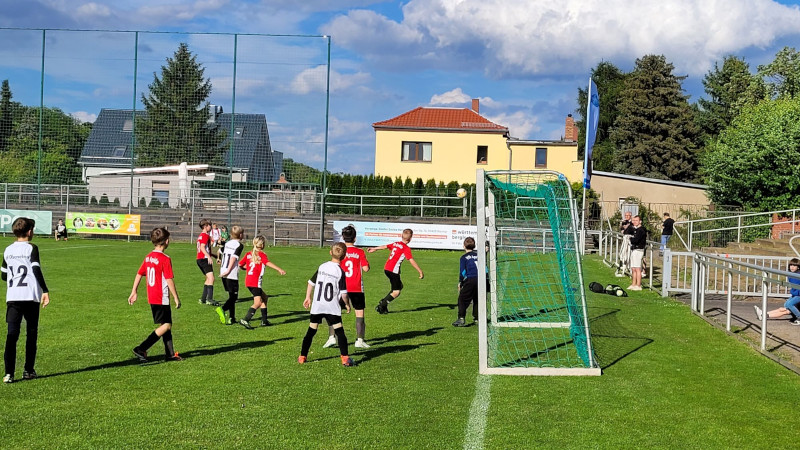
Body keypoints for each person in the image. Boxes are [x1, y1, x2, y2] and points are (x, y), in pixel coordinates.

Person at [2, 218, 50, 383]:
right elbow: (35, 269)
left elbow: (3, 275)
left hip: (13, 297)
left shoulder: (8, 250)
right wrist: (45, 290)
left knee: (12, 334)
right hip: (30, 296)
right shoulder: (32, 248)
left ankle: (8, 374)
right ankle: (28, 371)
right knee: (31, 334)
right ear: (29, 231)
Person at [129, 227, 182, 363]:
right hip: (161, 296)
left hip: (152, 296)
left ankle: (170, 354)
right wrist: (176, 297)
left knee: (165, 323)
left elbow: (139, 273)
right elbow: (169, 279)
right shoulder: (165, 258)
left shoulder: (148, 257)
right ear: (166, 241)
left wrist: (134, 291)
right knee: (167, 326)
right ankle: (142, 347)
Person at [298, 243, 353, 366]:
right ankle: (345, 358)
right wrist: (347, 304)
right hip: (331, 306)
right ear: (344, 256)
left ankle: (302, 356)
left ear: (330, 252)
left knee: (311, 331)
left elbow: (310, 282)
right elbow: (344, 293)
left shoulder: (322, 266)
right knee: (339, 331)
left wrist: (308, 297)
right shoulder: (340, 271)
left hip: (318, 305)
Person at [323, 225, 371, 349]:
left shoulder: (340, 251)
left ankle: (332, 337)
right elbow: (365, 269)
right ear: (355, 238)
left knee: (334, 312)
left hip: (340, 286)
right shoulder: (359, 252)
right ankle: (360, 340)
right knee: (359, 313)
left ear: (343, 238)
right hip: (356, 287)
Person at [369, 228, 424, 314]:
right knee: (396, 292)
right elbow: (411, 260)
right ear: (410, 238)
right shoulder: (406, 248)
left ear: (401, 236)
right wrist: (420, 271)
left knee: (399, 286)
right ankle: (382, 305)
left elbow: (385, 246)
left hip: (387, 268)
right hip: (393, 271)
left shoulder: (396, 244)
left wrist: (375, 248)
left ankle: (384, 303)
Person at [238, 235, 286, 329]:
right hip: (255, 282)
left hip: (248, 281)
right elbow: (267, 262)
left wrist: (247, 268)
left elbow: (240, 264)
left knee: (264, 297)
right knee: (258, 302)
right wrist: (279, 269)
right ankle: (245, 319)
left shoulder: (249, 253)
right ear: (262, 244)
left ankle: (264, 321)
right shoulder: (261, 254)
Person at [754, 258, 800, 325]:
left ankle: (799, 317)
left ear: (798, 267)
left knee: (787, 308)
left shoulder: (798, 275)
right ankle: (763, 315)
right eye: (791, 265)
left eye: (794, 265)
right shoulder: (790, 274)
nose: (792, 267)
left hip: (798, 296)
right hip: (795, 295)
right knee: (785, 307)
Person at [215, 226, 245, 325]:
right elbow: (233, 257)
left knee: (231, 295)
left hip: (222, 271)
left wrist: (219, 259)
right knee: (234, 297)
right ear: (240, 235)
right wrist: (228, 270)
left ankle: (232, 317)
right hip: (230, 273)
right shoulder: (239, 245)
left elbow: (219, 251)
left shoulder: (227, 243)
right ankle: (222, 309)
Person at [453, 237, 479, 327]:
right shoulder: (479, 255)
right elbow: (485, 269)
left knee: (462, 299)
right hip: (481, 279)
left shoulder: (463, 258)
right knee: (477, 299)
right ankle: (477, 318)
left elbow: (463, 272)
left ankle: (461, 318)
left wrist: (461, 282)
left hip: (470, 279)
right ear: (474, 246)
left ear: (464, 246)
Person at [195, 219, 218, 306]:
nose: (210, 227)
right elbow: (202, 247)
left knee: (208, 279)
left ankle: (203, 299)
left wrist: (213, 255)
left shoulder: (200, 236)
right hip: (204, 259)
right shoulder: (205, 235)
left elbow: (204, 249)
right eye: (209, 225)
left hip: (199, 259)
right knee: (211, 279)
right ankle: (210, 299)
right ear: (205, 226)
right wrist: (208, 257)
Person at [628, 215, 647, 291]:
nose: (634, 222)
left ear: (640, 221)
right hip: (634, 250)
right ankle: (633, 284)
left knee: (637, 268)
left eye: (636, 220)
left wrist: (631, 238)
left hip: (638, 250)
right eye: (633, 220)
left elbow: (635, 240)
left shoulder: (641, 230)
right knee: (633, 268)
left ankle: (638, 285)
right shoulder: (635, 229)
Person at [616, 211, 634, 277]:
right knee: (623, 254)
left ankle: (629, 268)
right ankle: (623, 267)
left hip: (630, 240)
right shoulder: (624, 222)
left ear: (630, 216)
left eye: (628, 215)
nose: (626, 217)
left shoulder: (632, 223)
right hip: (625, 239)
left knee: (629, 255)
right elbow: (622, 229)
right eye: (625, 215)